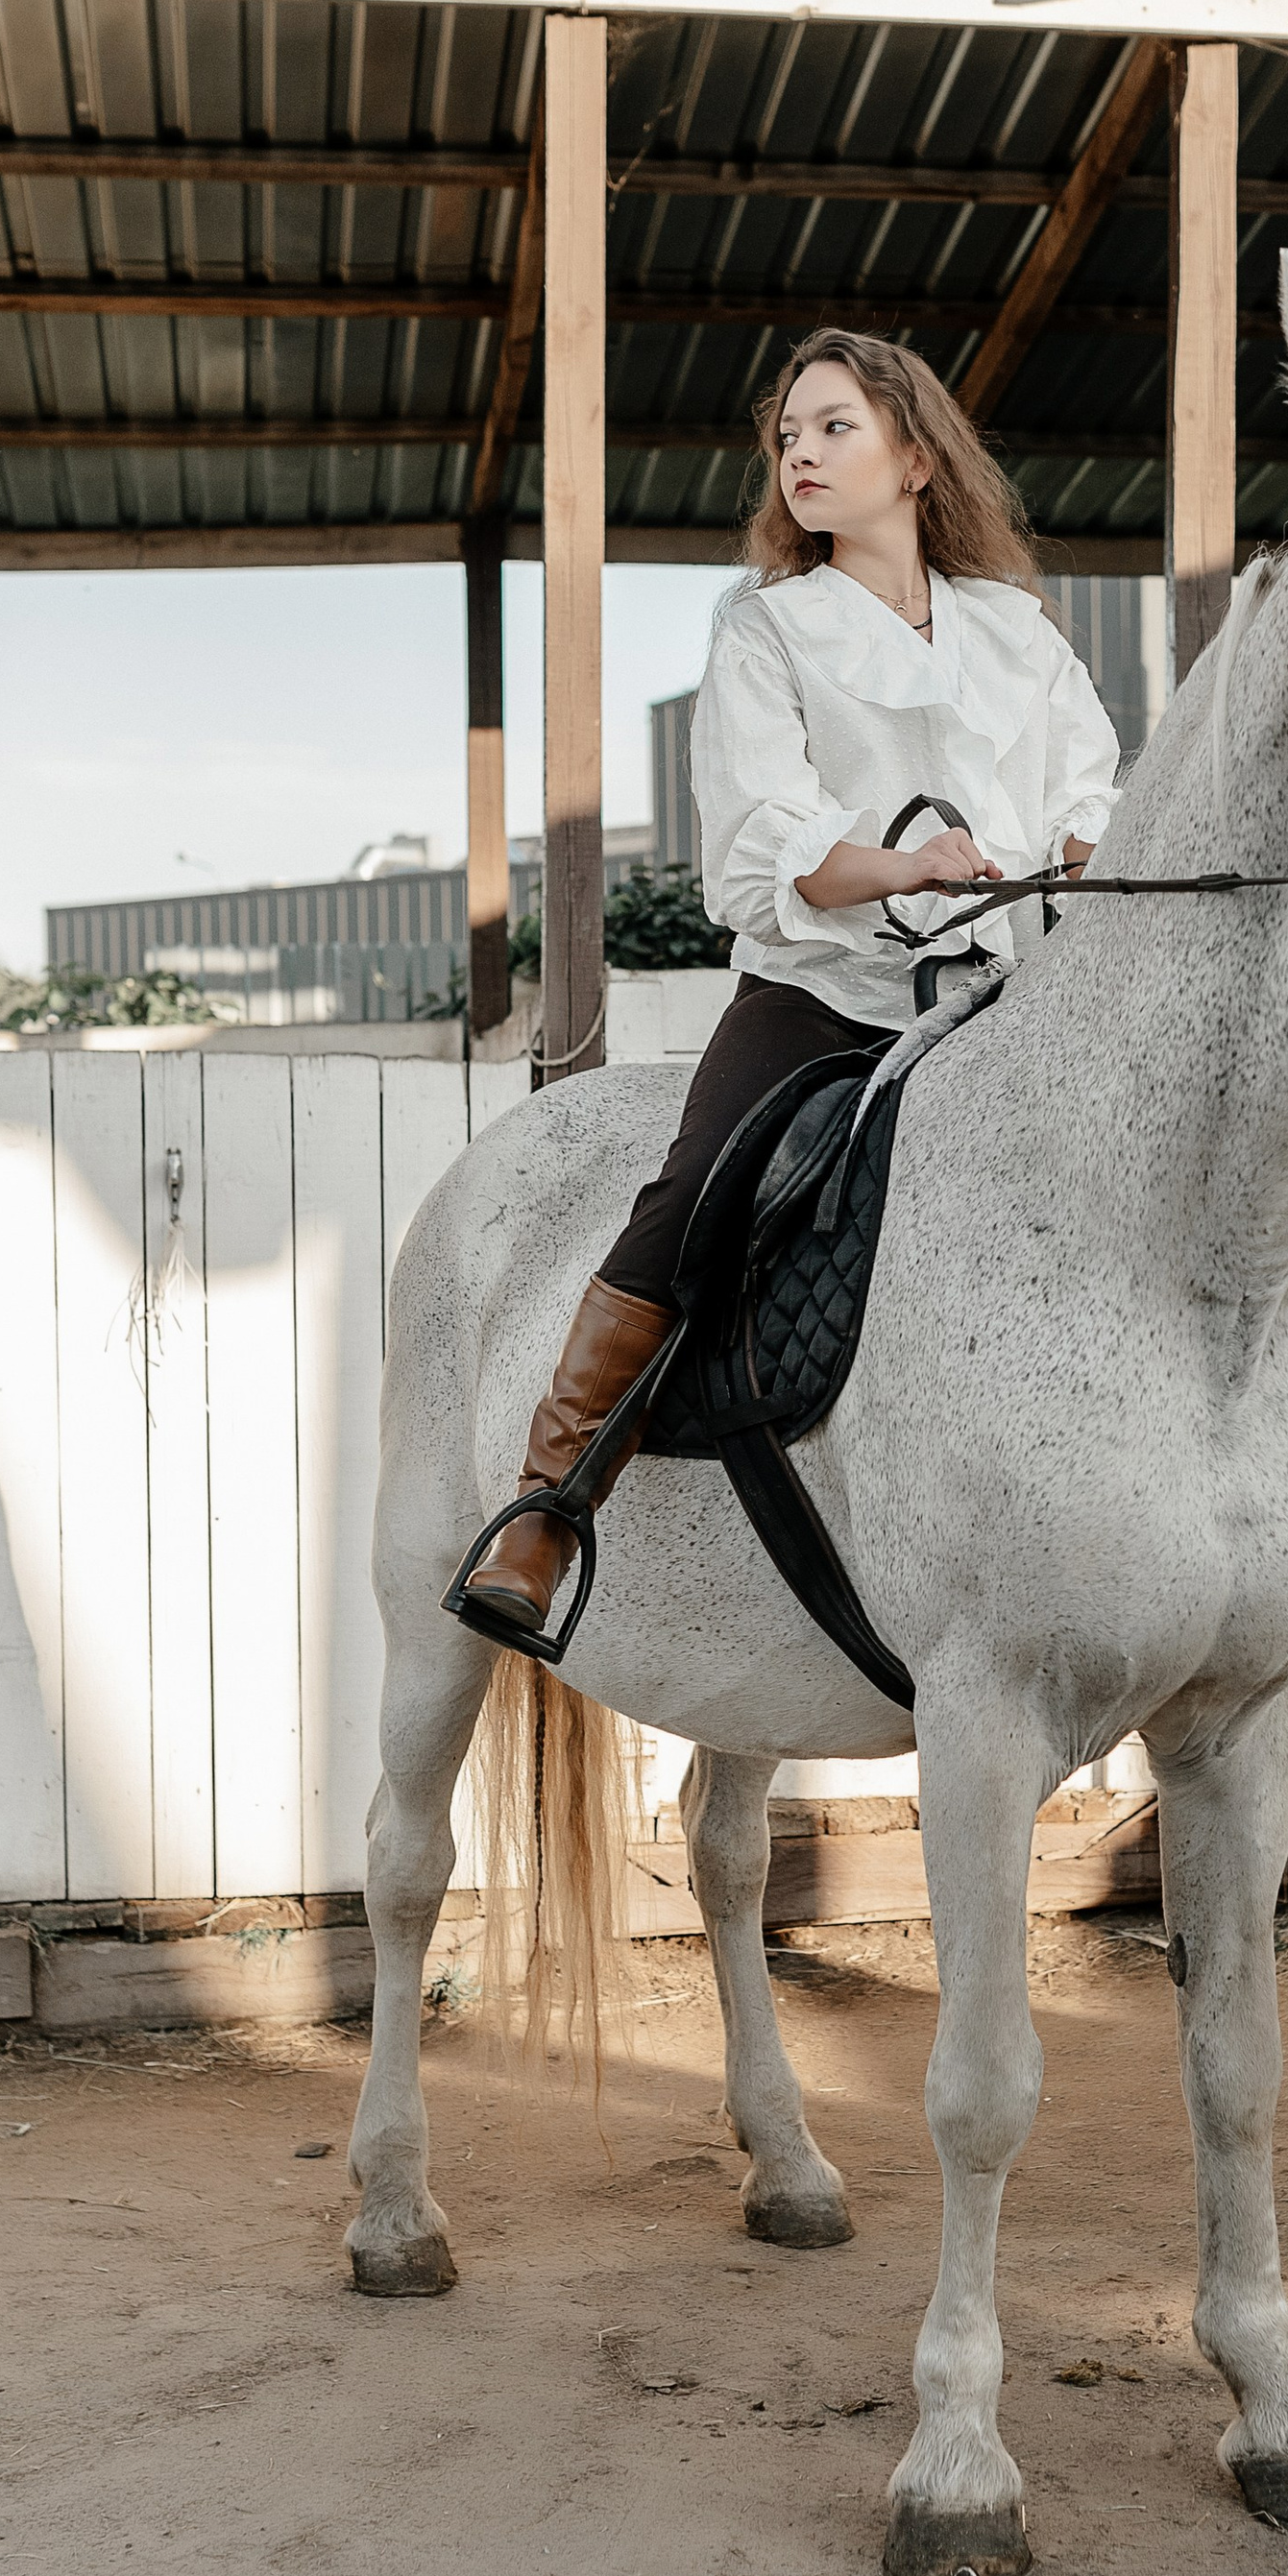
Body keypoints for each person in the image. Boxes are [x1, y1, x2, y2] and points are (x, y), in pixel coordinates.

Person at [444, 325, 1120, 1642]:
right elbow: (760, 844)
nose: (800, 452)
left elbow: (1085, 793)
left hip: (997, 995)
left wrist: (1103, 850)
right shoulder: (766, 626)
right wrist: (900, 863)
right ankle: (546, 1504)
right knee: (692, 1191)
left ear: (917, 458)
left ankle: (1257, 1516)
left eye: (834, 428)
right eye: (789, 436)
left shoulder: (1019, 632)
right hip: (824, 995)